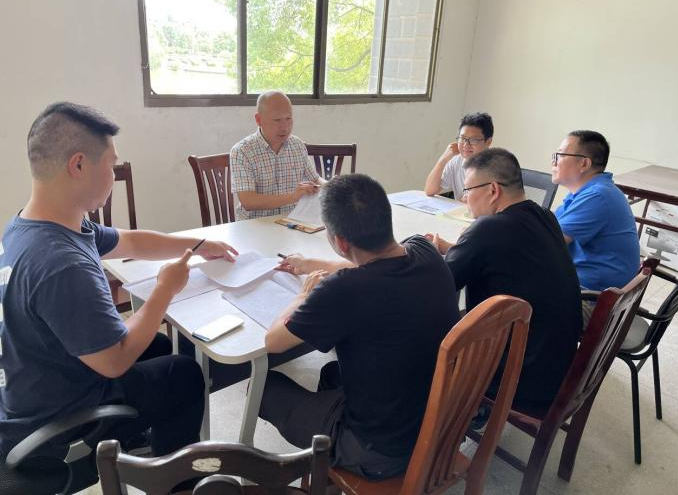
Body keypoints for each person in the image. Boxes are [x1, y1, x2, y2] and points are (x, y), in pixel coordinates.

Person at [0, 102, 238, 459]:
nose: (114, 175)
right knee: (184, 374)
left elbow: (131, 242)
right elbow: (116, 361)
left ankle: (135, 440)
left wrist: (200, 244)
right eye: (111, 165)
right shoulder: (61, 263)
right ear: (78, 165)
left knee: (157, 345)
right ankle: (170, 477)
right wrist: (165, 289)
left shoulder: (39, 224)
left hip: (41, 380)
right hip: (56, 422)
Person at [260, 174, 460, 480]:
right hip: (437, 424)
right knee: (331, 374)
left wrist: (302, 296)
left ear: (340, 242)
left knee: (263, 386)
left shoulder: (343, 290)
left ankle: (331, 457)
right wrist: (313, 263)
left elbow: (273, 341)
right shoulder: (425, 250)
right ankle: (328, 459)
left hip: (382, 452)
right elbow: (374, 265)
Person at [428, 148, 582, 412]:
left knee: (423, 335)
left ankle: (455, 412)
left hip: (521, 380)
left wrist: (426, 256)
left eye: (467, 190)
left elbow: (436, 288)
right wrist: (453, 248)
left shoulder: (487, 229)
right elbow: (502, 255)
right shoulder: (544, 216)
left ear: (493, 190)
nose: (464, 198)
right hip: (558, 370)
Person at [551, 130, 640, 324]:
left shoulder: (598, 196)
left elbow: (547, 243)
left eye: (559, 155)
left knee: (509, 305)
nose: (553, 162)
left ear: (584, 163)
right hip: (588, 293)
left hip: (591, 303)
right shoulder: (585, 192)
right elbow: (547, 230)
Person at [230, 91, 323, 220]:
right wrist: (293, 196)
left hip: (292, 221)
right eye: (277, 120)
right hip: (255, 224)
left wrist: (333, 186)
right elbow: (248, 201)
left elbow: (315, 180)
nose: (284, 127)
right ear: (259, 120)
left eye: (288, 119)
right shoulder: (242, 151)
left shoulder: (297, 145)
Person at [424, 112, 494, 199]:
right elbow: (429, 190)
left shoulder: (496, 168)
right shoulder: (456, 160)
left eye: (473, 140)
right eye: (462, 138)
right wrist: (443, 159)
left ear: (488, 142)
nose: (466, 145)